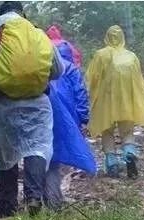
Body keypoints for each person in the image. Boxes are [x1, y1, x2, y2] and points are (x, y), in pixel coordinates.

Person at [0, 1, 64, 217]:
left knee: (6, 152)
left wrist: (1, 82)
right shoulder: (39, 35)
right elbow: (58, 70)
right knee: (37, 147)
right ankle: (33, 197)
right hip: (37, 103)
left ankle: (7, 206)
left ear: (1, 15)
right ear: (23, 14)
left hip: (4, 104)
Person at [86, 25, 144, 179]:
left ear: (107, 37)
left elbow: (92, 78)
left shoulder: (101, 55)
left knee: (107, 131)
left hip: (106, 100)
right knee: (127, 131)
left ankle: (111, 164)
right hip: (126, 101)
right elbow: (139, 81)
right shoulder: (131, 56)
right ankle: (129, 152)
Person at [44, 41, 94, 209]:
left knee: (47, 155)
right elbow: (80, 94)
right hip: (68, 120)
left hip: (45, 114)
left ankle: (42, 195)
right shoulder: (72, 69)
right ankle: (53, 199)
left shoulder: (45, 67)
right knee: (56, 159)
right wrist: (83, 118)